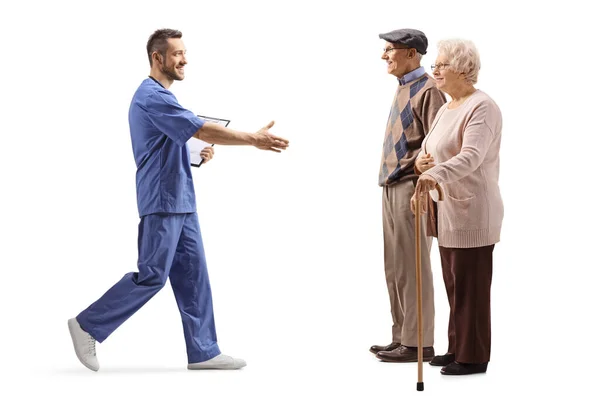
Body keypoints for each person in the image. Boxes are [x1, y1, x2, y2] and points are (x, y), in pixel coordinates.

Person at [68, 28, 289, 372]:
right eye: (176, 54)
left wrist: (194, 152)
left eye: (185, 53)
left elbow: (174, 140)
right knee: (153, 275)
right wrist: (253, 139)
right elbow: (199, 128)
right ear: (158, 58)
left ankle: (204, 351)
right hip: (163, 198)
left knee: (193, 274)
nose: (184, 59)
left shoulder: (162, 97)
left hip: (181, 198)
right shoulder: (151, 95)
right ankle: (88, 325)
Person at [412, 38, 503, 375]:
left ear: (464, 70)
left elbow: (471, 156)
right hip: (446, 209)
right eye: (435, 64)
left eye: (441, 64)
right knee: (455, 284)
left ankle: (474, 356)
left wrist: (433, 173)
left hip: (472, 210)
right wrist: (423, 163)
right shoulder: (447, 107)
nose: (434, 70)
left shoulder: (482, 106)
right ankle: (457, 347)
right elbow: (431, 150)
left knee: (471, 287)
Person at [370, 28, 446, 363]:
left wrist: (423, 181)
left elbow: (439, 145)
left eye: (390, 50)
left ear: (412, 53)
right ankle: (402, 336)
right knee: (396, 265)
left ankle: (419, 343)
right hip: (391, 185)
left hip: (412, 187)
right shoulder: (404, 88)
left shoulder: (429, 90)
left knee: (413, 265)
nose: (385, 56)